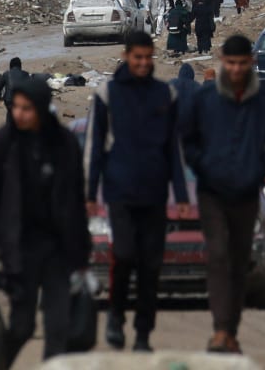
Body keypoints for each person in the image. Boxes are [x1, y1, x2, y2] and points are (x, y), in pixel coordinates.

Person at [178, 35, 265, 355]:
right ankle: (220, 330)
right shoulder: (205, 99)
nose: (237, 69)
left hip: (246, 193)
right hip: (212, 192)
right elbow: (187, 141)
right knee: (217, 255)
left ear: (251, 62)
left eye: (243, 63)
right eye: (231, 63)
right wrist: (203, 166)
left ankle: (231, 330)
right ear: (222, 61)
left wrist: (260, 168)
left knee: (239, 260)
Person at [0, 76, 89, 361]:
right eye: (16, 107)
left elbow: (75, 201)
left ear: (41, 108)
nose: (19, 114)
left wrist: (82, 254)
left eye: (27, 108)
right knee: (22, 327)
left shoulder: (65, 145)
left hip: (57, 251)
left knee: (59, 329)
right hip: (19, 250)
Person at [89, 30, 179, 352]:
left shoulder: (165, 95)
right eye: (137, 57)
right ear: (127, 56)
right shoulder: (108, 94)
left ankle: (143, 334)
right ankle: (115, 314)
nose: (143, 63)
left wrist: (180, 195)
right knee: (124, 254)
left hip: (155, 193)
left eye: (148, 57)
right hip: (120, 191)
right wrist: (90, 194)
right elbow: (95, 147)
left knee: (150, 266)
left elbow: (173, 149)